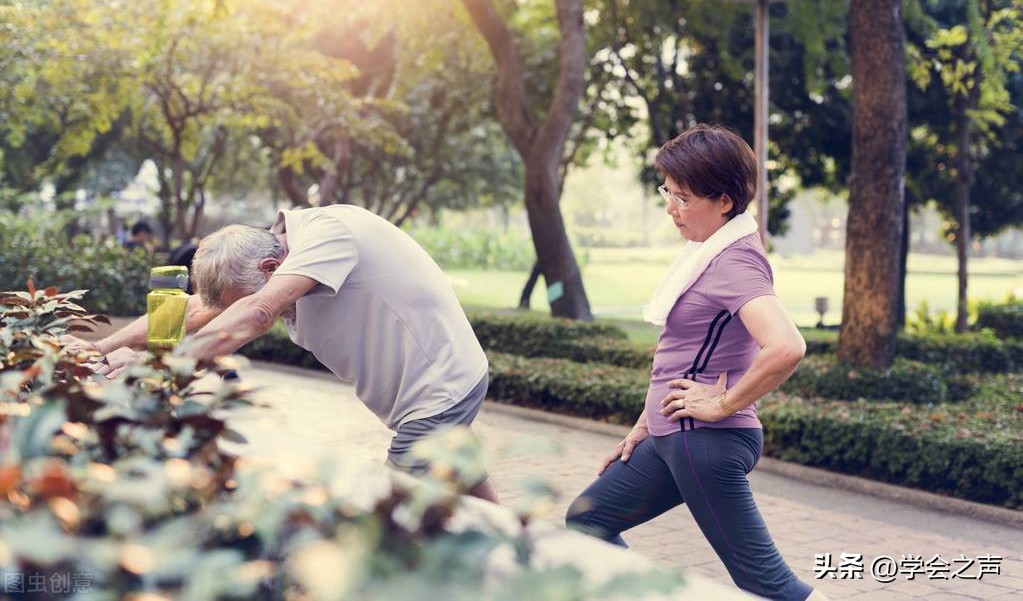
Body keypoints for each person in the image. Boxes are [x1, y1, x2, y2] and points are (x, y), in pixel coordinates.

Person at [65, 205, 498, 502]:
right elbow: (195, 309)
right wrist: (101, 347)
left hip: (437, 392)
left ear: (272, 270)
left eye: (240, 298)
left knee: (394, 525)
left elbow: (256, 311)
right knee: (483, 507)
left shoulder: (328, 235)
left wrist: (155, 365)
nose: (236, 308)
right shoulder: (278, 249)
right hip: (430, 390)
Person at [565, 125, 824, 600]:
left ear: (723, 201)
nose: (670, 207)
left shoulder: (734, 263)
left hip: (705, 443)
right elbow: (683, 354)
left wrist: (723, 403)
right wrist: (644, 422)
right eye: (669, 192)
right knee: (588, 519)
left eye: (682, 197)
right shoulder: (706, 253)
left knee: (767, 584)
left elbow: (787, 346)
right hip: (672, 436)